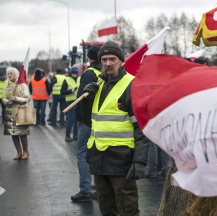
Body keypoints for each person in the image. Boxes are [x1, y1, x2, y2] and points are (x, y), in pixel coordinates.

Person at [81, 41, 150, 215]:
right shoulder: (99, 84)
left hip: (121, 161)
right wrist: (86, 101)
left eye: (112, 59)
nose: (107, 63)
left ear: (121, 61)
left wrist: (140, 161)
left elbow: (142, 128)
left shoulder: (132, 85)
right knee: (107, 210)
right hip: (98, 158)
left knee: (127, 209)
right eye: (104, 59)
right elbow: (89, 121)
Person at [71, 45, 102, 202]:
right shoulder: (104, 73)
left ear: (89, 58)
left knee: (82, 153)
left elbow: (81, 99)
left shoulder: (89, 73)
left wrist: (79, 118)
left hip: (87, 120)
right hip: (101, 119)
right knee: (96, 153)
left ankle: (85, 190)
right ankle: (97, 189)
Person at [2, 67, 31, 160]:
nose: (9, 75)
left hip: (20, 112)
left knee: (22, 133)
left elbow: (27, 99)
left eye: (11, 73)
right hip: (9, 113)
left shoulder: (23, 85)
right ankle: (19, 152)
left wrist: (16, 99)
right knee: (13, 133)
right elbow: (3, 98)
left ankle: (26, 151)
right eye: (8, 74)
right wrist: (7, 102)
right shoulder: (7, 85)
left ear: (16, 74)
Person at [61, 67, 79, 142]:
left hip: (78, 101)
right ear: (71, 73)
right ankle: (67, 135)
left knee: (77, 119)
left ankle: (75, 135)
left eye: (76, 73)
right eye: (73, 73)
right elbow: (62, 91)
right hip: (70, 102)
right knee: (70, 119)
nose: (74, 74)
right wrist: (70, 91)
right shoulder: (67, 79)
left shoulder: (80, 78)